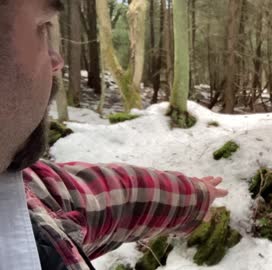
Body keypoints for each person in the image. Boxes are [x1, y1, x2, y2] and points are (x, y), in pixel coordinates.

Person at [0, 1, 228, 269]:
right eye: (41, 26)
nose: (56, 60)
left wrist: (194, 196)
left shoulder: (27, 194)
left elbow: (111, 197)